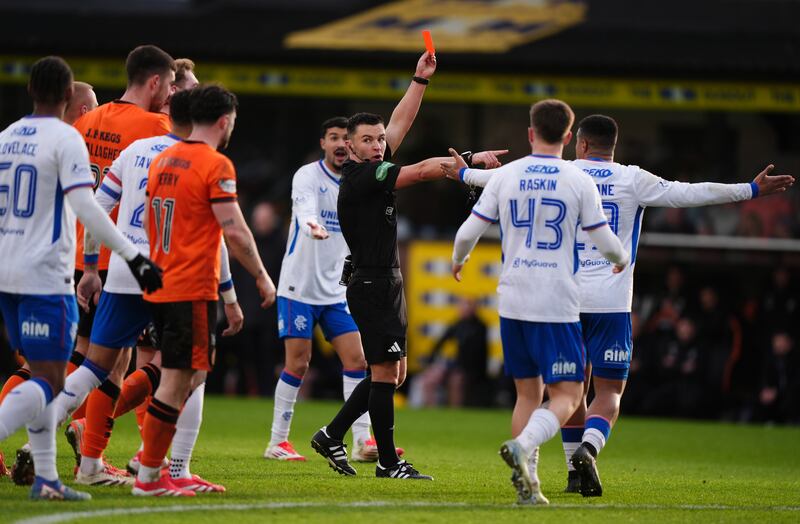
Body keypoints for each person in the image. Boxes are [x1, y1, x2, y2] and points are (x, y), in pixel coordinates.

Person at [447, 113, 795, 497]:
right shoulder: (633, 179)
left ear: (578, 143)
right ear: (613, 145)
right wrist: (749, 189)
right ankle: (589, 450)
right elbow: (689, 193)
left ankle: (571, 471)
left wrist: (464, 175)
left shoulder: (563, 173)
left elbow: (498, 180)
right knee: (609, 391)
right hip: (611, 301)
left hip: (562, 298)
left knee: (568, 388)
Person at [309, 54, 505, 481]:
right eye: (368, 140)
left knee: (393, 374)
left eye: (379, 139)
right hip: (371, 283)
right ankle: (387, 462)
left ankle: (332, 435)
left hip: (385, 281)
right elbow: (418, 172)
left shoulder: (375, 163)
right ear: (350, 146)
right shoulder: (361, 176)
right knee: (384, 373)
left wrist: (420, 79)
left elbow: (400, 120)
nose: (378, 144)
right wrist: (466, 166)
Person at [449, 99, 630, 504]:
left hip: (512, 299)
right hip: (556, 300)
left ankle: (529, 482)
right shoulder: (577, 179)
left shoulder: (506, 176)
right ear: (569, 138)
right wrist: (619, 260)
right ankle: (523, 446)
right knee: (567, 395)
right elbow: (604, 240)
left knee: (527, 394)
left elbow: (466, 233)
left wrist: (459, 261)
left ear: (531, 134)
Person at [0, 56, 161, 501]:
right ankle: (62, 467)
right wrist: (131, 254)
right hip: (46, 271)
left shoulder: (7, 136)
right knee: (53, 379)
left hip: (8, 271)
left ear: (30, 90)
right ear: (69, 95)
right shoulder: (67, 138)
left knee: (47, 374)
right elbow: (89, 206)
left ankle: (49, 480)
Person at [134, 83, 277, 497]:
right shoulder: (215, 164)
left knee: (188, 374)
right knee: (179, 379)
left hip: (161, 280)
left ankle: (154, 467)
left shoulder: (164, 158)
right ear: (223, 121)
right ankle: (149, 475)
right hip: (189, 285)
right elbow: (233, 229)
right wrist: (261, 275)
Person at [61, 45, 175, 474]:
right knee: (110, 362)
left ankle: (90, 450)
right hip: (123, 255)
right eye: (167, 85)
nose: (168, 93)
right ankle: (91, 450)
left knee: (89, 355)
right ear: (154, 83)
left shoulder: (88, 119)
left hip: (79, 249)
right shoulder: (156, 127)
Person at [265, 117, 385, 463]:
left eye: (342, 139)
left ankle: (363, 441)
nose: (338, 144)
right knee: (299, 363)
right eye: (331, 137)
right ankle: (278, 441)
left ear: (350, 144)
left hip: (335, 291)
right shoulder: (307, 176)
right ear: (323, 143)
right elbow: (303, 207)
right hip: (298, 287)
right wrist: (311, 224)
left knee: (358, 360)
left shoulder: (357, 182)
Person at [418, 297, 488, 407]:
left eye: (466, 307)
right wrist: (431, 358)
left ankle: (455, 411)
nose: (463, 310)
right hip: (454, 364)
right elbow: (441, 342)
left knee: (456, 381)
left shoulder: (480, 327)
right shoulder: (457, 324)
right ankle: (430, 410)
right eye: (461, 307)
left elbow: (475, 354)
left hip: (469, 368)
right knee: (429, 380)